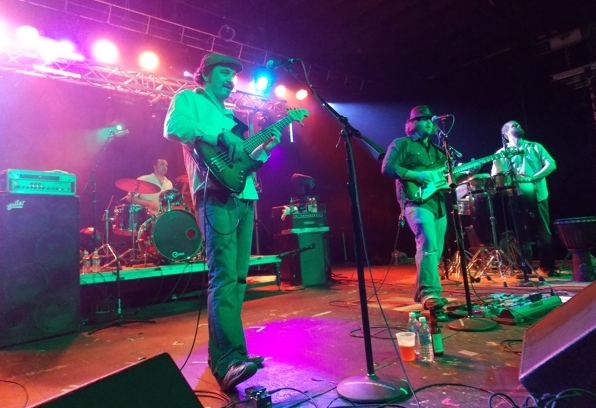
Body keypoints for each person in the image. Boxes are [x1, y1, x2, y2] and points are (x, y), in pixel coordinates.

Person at [163, 53, 282, 390]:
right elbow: (174, 128)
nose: (231, 80)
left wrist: (265, 147)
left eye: (233, 75)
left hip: (245, 196)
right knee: (224, 277)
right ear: (205, 74)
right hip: (214, 196)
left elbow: (246, 161)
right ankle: (228, 360)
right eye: (224, 73)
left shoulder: (232, 116)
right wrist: (219, 135)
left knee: (239, 279)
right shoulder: (189, 99)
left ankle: (231, 356)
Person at [381, 105, 450, 310]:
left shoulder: (439, 150)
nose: (429, 122)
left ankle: (425, 293)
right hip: (415, 202)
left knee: (435, 251)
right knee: (427, 243)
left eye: (430, 119)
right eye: (423, 119)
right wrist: (416, 175)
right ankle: (430, 293)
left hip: (438, 204)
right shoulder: (401, 144)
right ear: (411, 124)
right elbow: (387, 167)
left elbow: (444, 178)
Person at [491, 120, 557, 276]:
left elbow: (552, 164)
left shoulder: (535, 146)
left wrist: (533, 178)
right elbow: (496, 176)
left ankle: (547, 268)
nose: (518, 126)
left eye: (519, 125)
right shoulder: (501, 153)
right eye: (514, 125)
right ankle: (525, 269)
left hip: (539, 195)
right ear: (506, 134)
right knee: (521, 234)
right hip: (516, 198)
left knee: (544, 233)